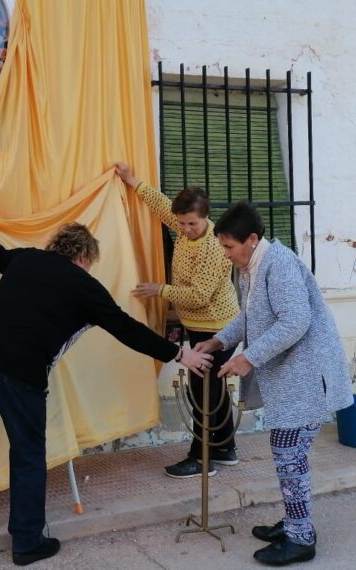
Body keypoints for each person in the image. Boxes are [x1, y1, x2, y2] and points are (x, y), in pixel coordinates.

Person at [0, 222, 214, 566]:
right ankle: (26, 542)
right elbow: (127, 329)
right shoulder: (86, 287)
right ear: (84, 255)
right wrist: (179, 354)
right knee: (27, 453)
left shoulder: (26, 259)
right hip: (16, 371)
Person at [194, 201, 353, 566]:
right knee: (288, 453)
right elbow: (253, 317)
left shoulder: (278, 264)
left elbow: (295, 321)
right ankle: (296, 523)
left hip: (308, 376)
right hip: (295, 377)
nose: (226, 254)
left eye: (229, 247)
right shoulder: (256, 264)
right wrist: (219, 341)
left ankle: (301, 537)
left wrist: (247, 358)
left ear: (251, 240)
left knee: (288, 453)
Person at [115, 163, 240, 478]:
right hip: (200, 325)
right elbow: (161, 206)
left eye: (192, 224)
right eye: (182, 223)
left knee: (202, 392)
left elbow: (199, 295)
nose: (185, 229)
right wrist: (133, 180)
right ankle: (225, 450)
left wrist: (160, 290)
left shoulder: (213, 245)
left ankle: (202, 459)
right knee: (213, 388)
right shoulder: (185, 226)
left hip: (217, 327)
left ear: (205, 217)